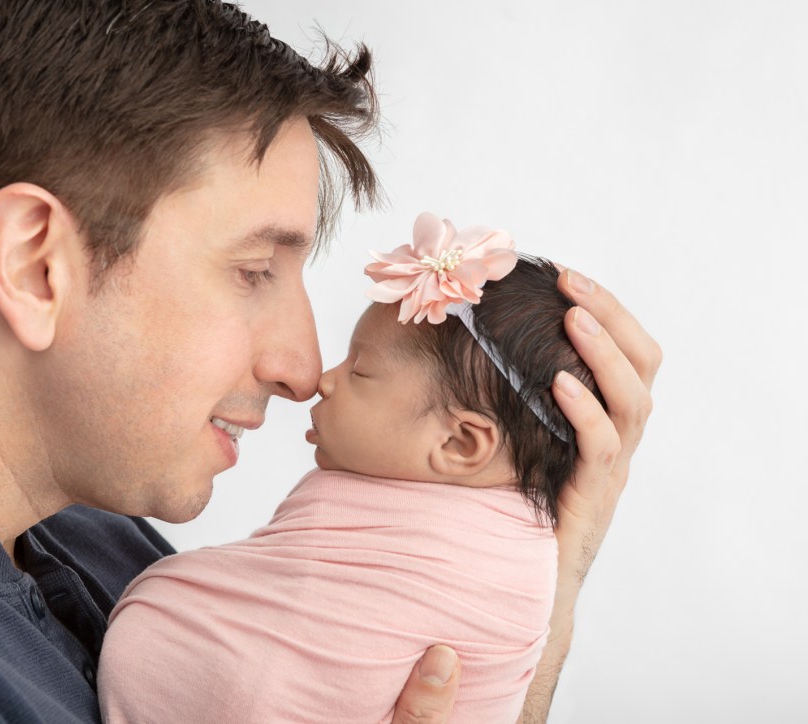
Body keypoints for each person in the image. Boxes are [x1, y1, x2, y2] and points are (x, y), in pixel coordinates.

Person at [0, 2, 660, 723]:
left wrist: (540, 578)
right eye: (255, 271)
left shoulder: (82, 532)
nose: (303, 367)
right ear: (34, 263)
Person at [98, 214, 605, 723]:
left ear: (459, 442)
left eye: (360, 370)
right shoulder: (527, 552)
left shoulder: (506, 560)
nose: (322, 380)